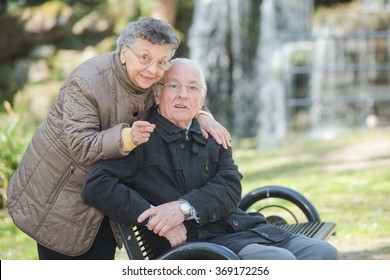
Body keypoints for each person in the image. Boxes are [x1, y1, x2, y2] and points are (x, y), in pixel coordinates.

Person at [6, 17, 230, 260]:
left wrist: (201, 113)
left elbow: (179, 88)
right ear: (124, 52)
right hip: (59, 197)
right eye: (144, 58)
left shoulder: (151, 79)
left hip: (106, 191)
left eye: (161, 62)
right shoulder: (86, 83)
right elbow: (81, 147)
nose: (153, 70)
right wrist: (127, 137)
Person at [81, 58, 340, 260]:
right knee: (278, 261)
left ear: (201, 98)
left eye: (192, 88)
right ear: (157, 94)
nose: (183, 94)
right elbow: (97, 185)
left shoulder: (212, 134)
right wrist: (152, 217)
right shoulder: (142, 137)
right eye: (173, 86)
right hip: (195, 248)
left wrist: (182, 208)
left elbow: (230, 187)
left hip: (241, 231)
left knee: (323, 254)